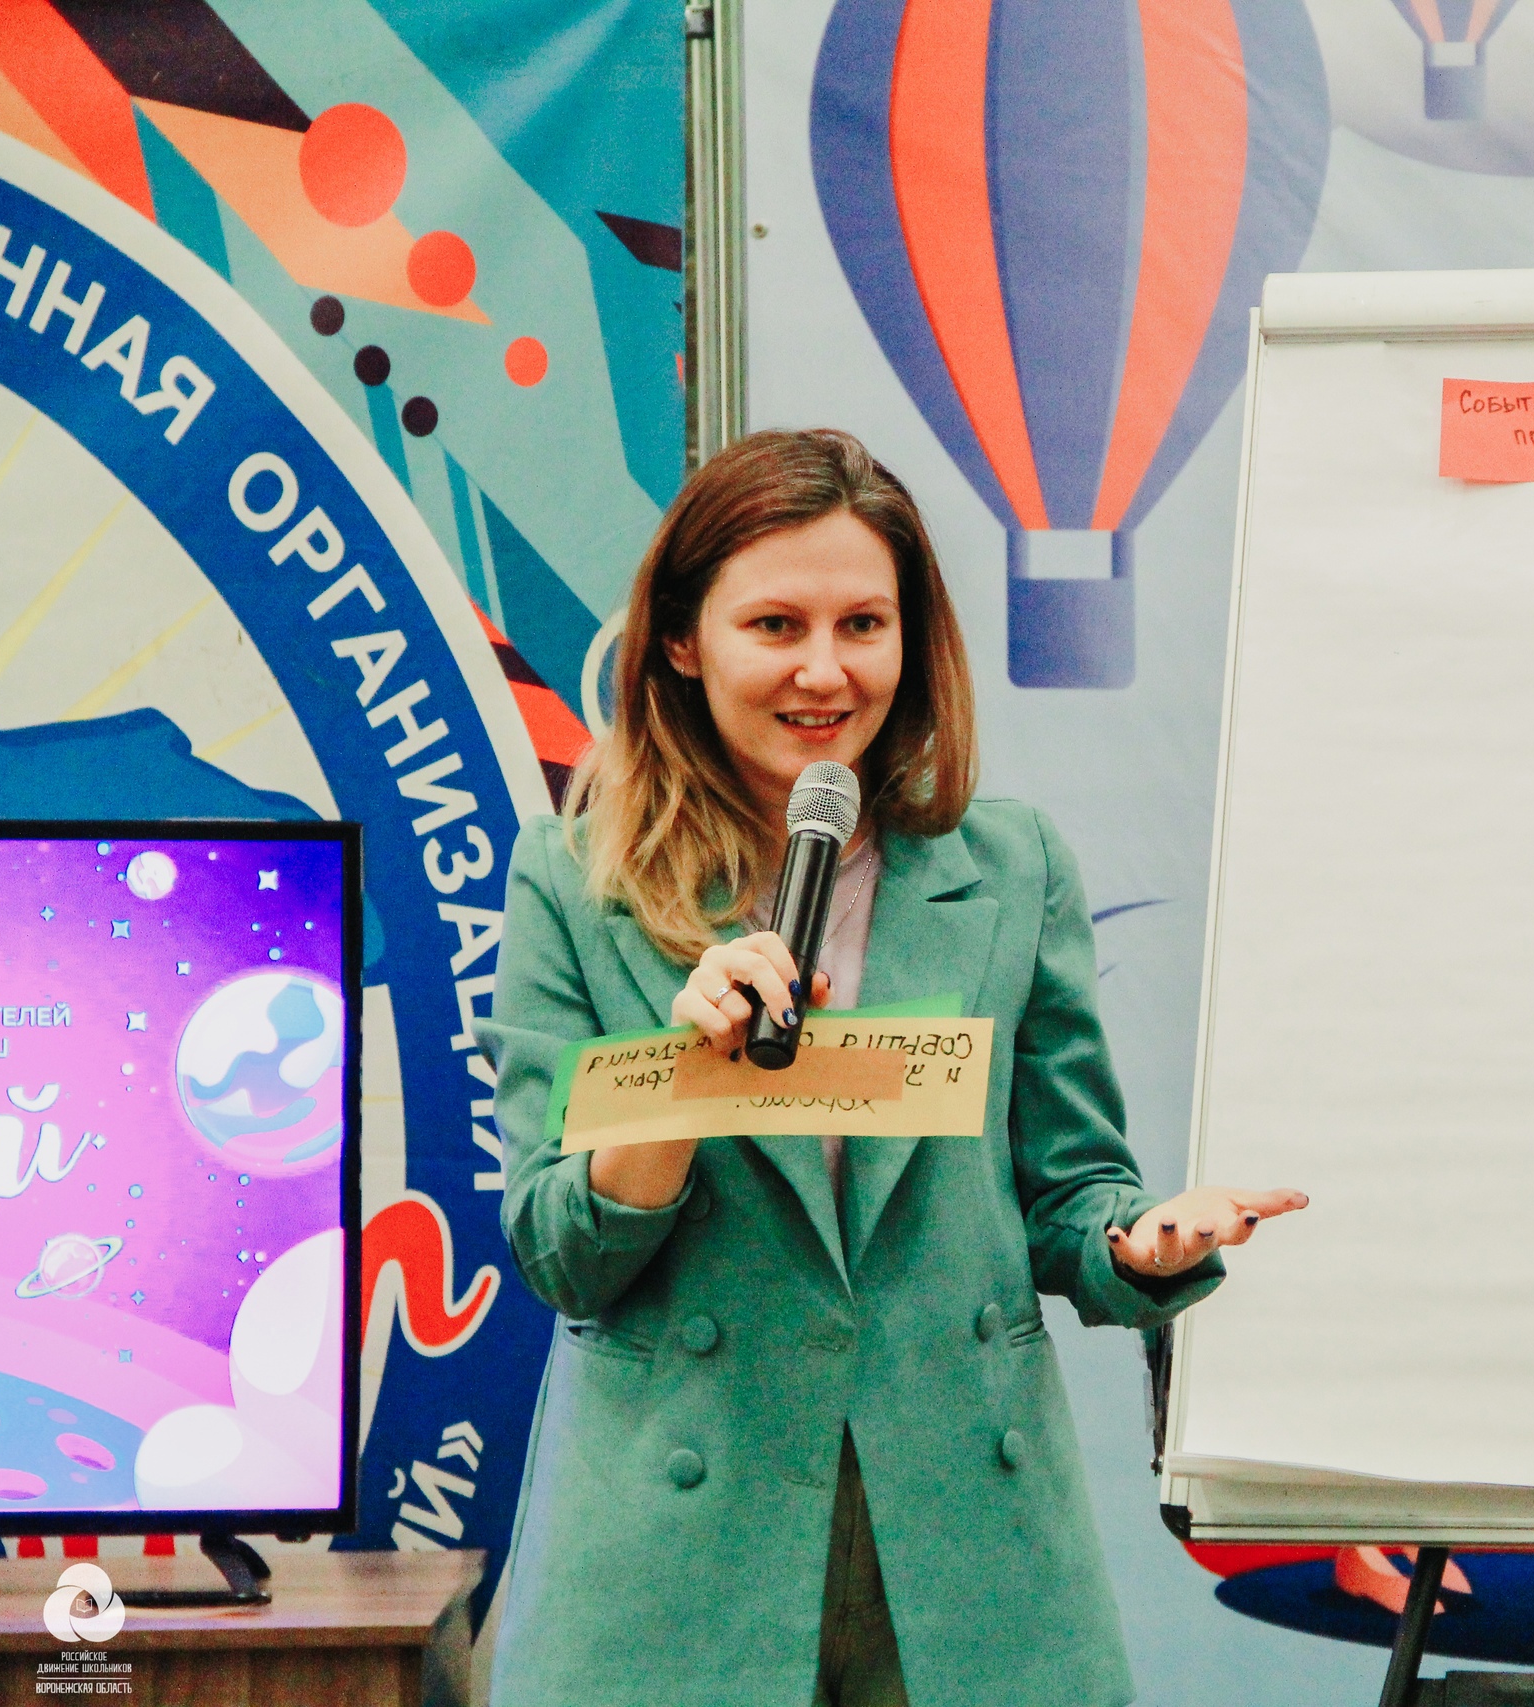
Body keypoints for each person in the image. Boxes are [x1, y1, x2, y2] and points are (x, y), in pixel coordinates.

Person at [475, 429, 1307, 1707]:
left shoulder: (1013, 869)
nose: (825, 671)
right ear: (683, 641)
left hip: (966, 1546)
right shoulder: (574, 882)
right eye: (776, 626)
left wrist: (1142, 1243)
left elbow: (1069, 1192)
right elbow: (562, 1255)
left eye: (863, 624)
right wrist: (684, 1080)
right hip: (679, 1556)